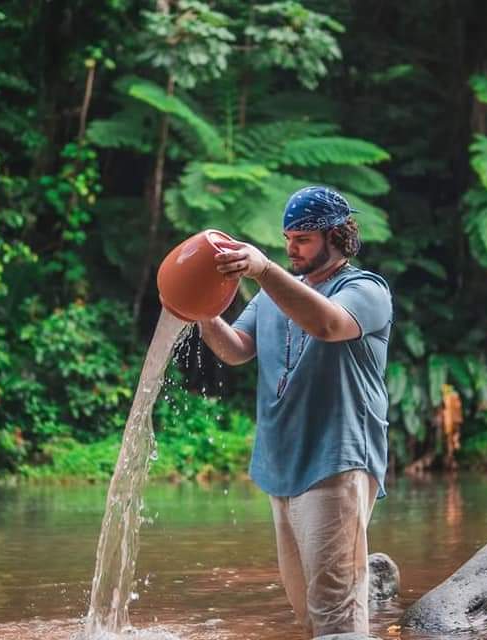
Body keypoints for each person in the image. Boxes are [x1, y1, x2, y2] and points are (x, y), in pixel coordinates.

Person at [197, 185, 394, 638]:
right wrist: (202, 312)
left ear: (336, 237)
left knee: (335, 610)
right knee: (306, 609)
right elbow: (236, 350)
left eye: (302, 239)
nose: (291, 248)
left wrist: (263, 270)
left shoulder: (366, 289)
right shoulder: (272, 296)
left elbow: (328, 324)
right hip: (281, 464)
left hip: (336, 460)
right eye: (287, 238)